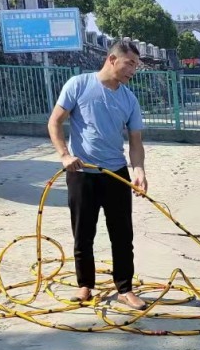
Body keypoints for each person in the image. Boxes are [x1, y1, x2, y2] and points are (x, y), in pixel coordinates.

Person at [47, 40, 148, 309]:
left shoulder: (129, 99)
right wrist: (65, 155)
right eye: (130, 64)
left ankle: (125, 288)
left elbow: (136, 141)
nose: (133, 71)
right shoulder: (78, 85)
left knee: (122, 234)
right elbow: (55, 121)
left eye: (136, 66)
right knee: (83, 232)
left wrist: (138, 170)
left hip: (116, 173)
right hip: (82, 172)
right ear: (112, 59)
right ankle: (85, 285)